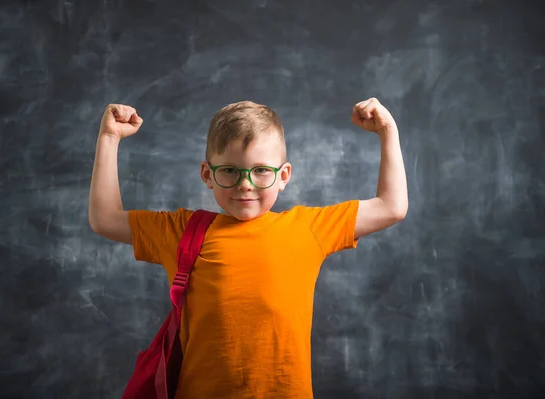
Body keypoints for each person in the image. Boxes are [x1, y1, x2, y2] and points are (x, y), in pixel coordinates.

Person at [88, 98, 408, 398]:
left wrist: (387, 131)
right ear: (207, 175)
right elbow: (105, 219)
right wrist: (109, 138)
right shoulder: (179, 230)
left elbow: (391, 207)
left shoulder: (309, 228)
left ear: (283, 176)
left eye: (261, 171)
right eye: (229, 170)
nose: (245, 184)